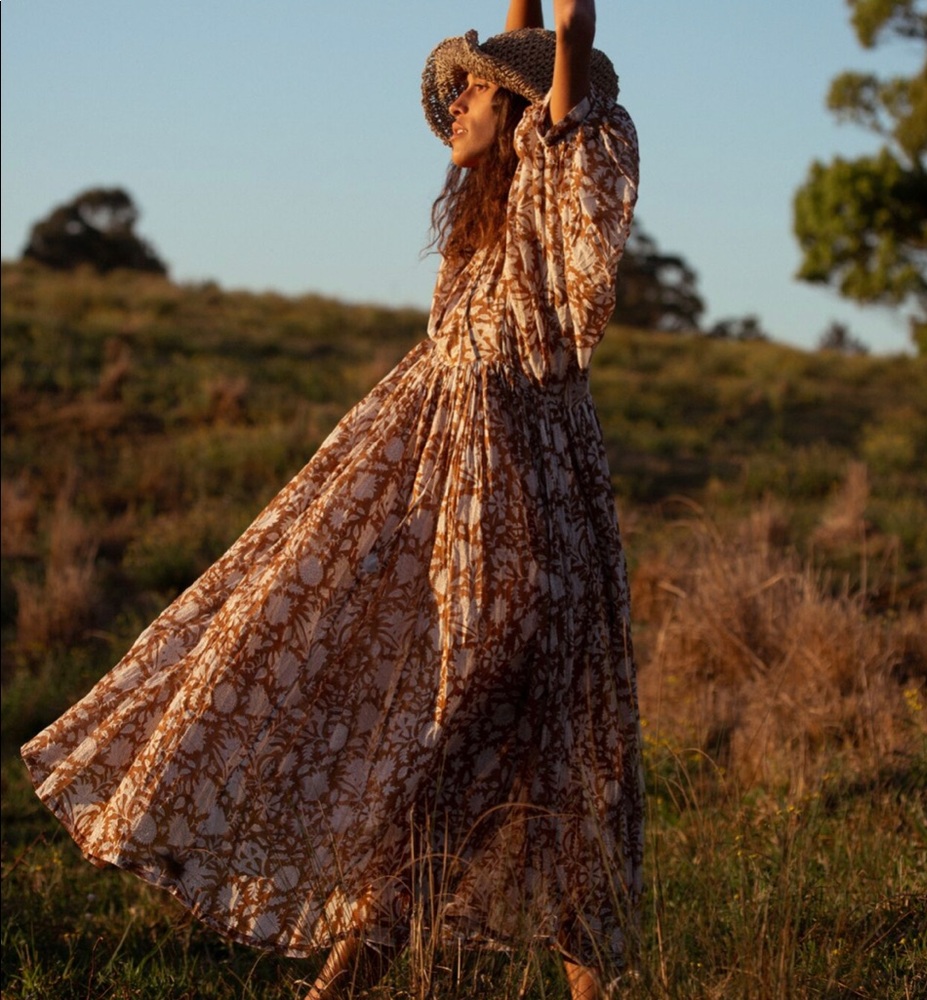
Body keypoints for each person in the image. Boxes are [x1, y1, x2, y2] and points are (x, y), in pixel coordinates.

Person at [20, 1, 643, 997]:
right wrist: (525, 28)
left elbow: (564, 121)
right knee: (518, 741)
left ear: (520, 115)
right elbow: (524, 56)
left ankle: (353, 980)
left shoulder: (548, 194)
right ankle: (559, 980)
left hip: (524, 508)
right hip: (455, 491)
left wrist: (567, 37)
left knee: (494, 743)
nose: (458, 101)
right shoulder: (486, 225)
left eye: (476, 89)